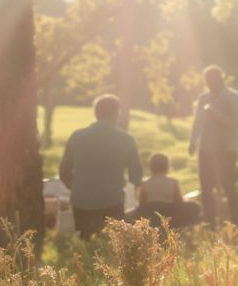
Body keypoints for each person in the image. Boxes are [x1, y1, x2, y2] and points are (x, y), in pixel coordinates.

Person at [59, 94, 143, 240]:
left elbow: (63, 171)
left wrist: (77, 188)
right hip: (112, 200)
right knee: (113, 243)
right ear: (116, 113)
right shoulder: (126, 139)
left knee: (85, 241)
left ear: (96, 113)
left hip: (81, 200)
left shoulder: (77, 136)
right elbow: (136, 175)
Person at [189, 65, 238, 230]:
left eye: (212, 80)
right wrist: (193, 141)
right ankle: (210, 224)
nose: (209, 84)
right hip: (206, 149)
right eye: (207, 81)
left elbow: (236, 122)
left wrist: (214, 113)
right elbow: (197, 121)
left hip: (227, 148)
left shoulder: (234, 97)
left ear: (220, 79)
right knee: (206, 188)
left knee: (228, 186)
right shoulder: (203, 98)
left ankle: (236, 223)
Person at [129, 152, 201, 229]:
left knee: (131, 213)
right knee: (194, 206)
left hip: (149, 213)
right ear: (167, 166)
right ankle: (181, 227)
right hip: (169, 213)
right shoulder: (172, 182)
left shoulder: (145, 183)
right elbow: (178, 200)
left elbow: (142, 202)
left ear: (150, 167)